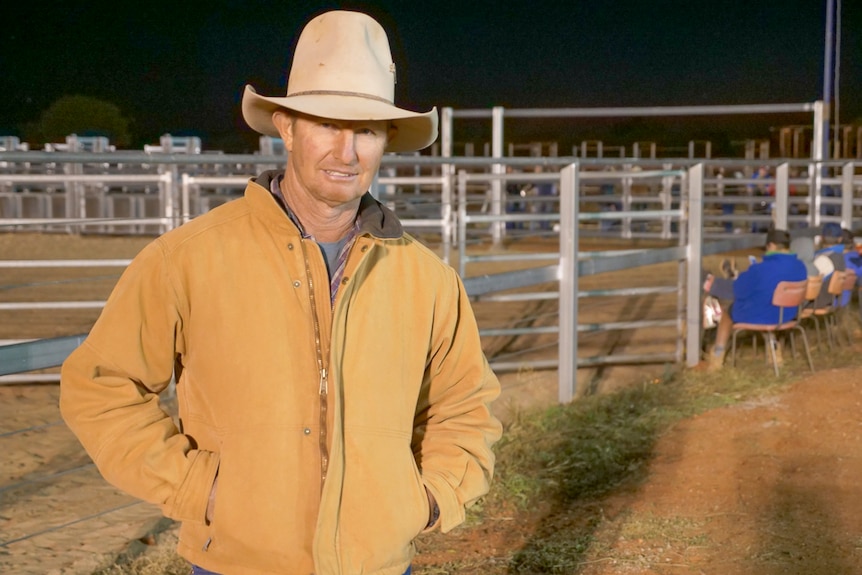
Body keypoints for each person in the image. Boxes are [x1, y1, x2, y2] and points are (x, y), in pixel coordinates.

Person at [59, 11, 502, 575]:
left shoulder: (426, 278)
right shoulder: (188, 260)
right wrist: (200, 488)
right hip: (237, 564)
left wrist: (430, 496)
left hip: (378, 565)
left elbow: (464, 405)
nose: (346, 152)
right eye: (325, 124)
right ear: (287, 127)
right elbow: (101, 388)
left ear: (386, 141)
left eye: (366, 130)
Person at [704, 229, 808, 370]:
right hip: (789, 314)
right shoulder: (800, 266)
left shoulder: (760, 269)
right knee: (765, 306)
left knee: (728, 313)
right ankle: (774, 351)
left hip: (764, 313)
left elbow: (738, 290)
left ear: (771, 245)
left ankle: (717, 354)